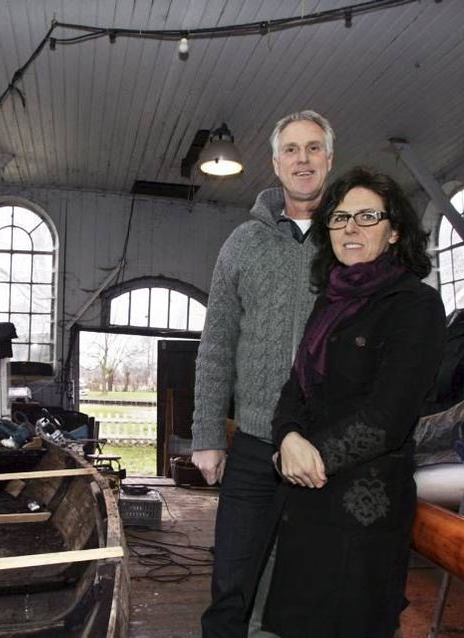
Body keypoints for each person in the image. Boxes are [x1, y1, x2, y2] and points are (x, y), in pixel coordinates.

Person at [263, 167, 446, 636]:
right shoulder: (328, 303)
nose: (351, 227)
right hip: (305, 499)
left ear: (395, 230)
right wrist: (286, 436)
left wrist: (309, 454)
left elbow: (389, 417)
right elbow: (295, 388)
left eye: (367, 216)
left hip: (364, 506)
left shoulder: (415, 305)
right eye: (340, 217)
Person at [192, 110, 335, 637]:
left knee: (312, 587)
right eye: (292, 150)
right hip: (255, 442)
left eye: (313, 148)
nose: (303, 159)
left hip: (327, 446)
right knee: (232, 581)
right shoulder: (242, 244)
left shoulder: (349, 244)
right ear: (276, 164)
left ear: (329, 160)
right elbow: (216, 345)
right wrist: (208, 436)